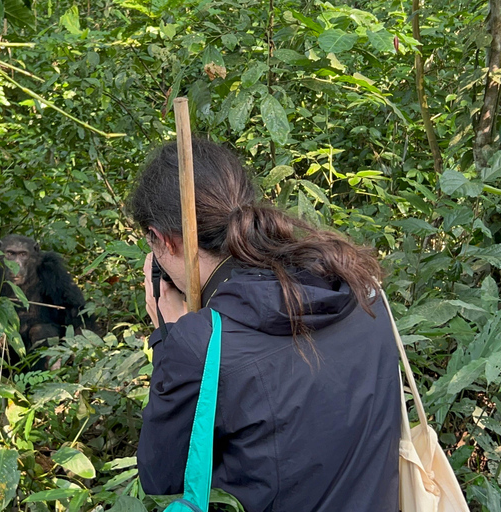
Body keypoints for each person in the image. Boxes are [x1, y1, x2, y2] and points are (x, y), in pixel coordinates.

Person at [129, 138, 400, 511]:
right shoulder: (359, 287)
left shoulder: (200, 344)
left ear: (163, 240)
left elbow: (162, 479)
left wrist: (171, 338)